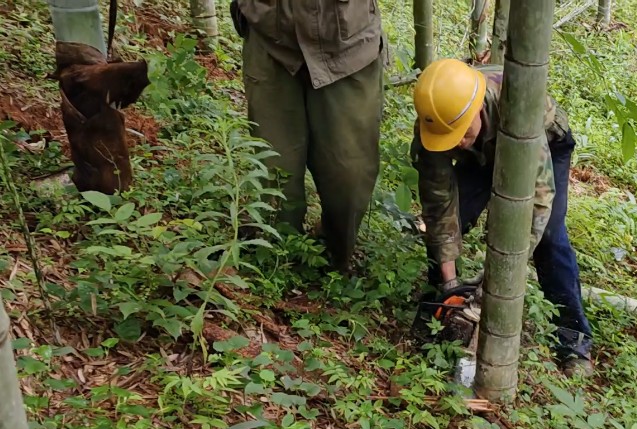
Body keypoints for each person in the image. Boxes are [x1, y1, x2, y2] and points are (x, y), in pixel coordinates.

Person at [409, 58, 594, 376]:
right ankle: (440, 303)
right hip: (482, 153)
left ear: (476, 110)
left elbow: (536, 208)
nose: (455, 143)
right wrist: (452, 286)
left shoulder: (518, 111)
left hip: (542, 143)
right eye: (448, 139)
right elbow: (439, 205)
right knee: (453, 218)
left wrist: (488, 292)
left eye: (460, 134)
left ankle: (573, 342)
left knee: (549, 238)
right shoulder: (436, 125)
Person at [232, 0, 385, 273]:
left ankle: (332, 256)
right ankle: (281, 261)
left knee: (349, 175)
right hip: (269, 33)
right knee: (276, 170)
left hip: (347, 42)